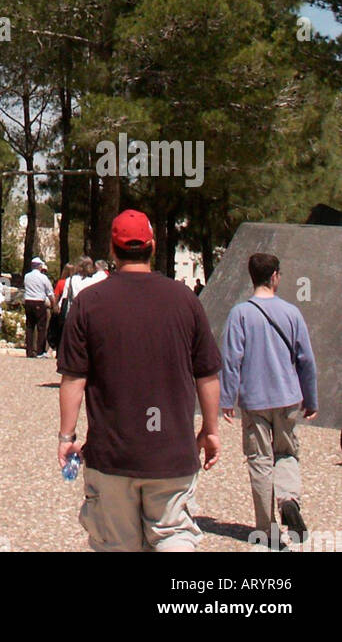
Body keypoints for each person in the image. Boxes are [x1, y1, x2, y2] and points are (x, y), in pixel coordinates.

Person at [57, 210, 222, 552]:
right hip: (172, 453)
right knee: (174, 534)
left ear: (113, 250)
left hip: (112, 455)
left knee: (116, 543)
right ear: (152, 245)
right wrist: (210, 429)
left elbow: (74, 378)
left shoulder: (89, 302)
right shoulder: (185, 299)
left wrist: (67, 436)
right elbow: (206, 373)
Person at [220, 252, 318, 550]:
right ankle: (288, 497)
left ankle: (267, 530)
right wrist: (310, 398)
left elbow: (230, 359)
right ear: (275, 275)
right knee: (286, 453)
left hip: (255, 399)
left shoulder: (240, 314)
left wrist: (227, 398)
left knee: (260, 460)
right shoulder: (291, 313)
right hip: (287, 396)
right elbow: (306, 360)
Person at [23, 256, 55, 358]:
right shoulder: (43, 278)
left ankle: (29, 351)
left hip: (28, 301)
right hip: (39, 302)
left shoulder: (27, 276)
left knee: (29, 327)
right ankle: (40, 351)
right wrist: (53, 304)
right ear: (40, 266)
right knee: (41, 327)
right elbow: (50, 292)